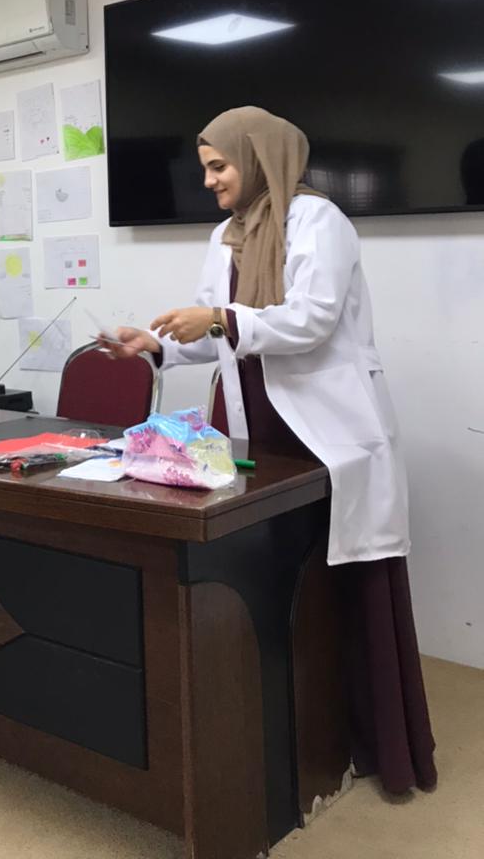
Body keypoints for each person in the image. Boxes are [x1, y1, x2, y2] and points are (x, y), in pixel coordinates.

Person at [109, 106, 436, 796]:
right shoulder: (226, 235)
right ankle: (301, 736)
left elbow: (311, 320)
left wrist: (220, 318)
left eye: (219, 166)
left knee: (348, 582)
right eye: (205, 168)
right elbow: (213, 333)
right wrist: (157, 343)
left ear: (258, 159)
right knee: (282, 580)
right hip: (258, 428)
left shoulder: (320, 221)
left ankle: (376, 745)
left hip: (325, 431)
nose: (208, 181)